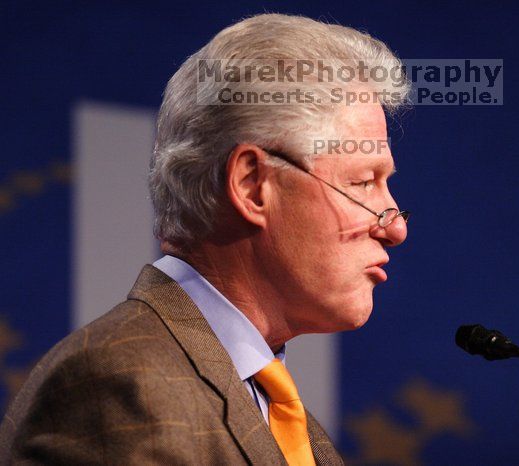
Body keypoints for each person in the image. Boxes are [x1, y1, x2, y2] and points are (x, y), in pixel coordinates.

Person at [0, 13, 410, 465]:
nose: (395, 227)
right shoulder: (119, 387)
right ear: (253, 185)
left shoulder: (276, 414)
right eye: (361, 183)